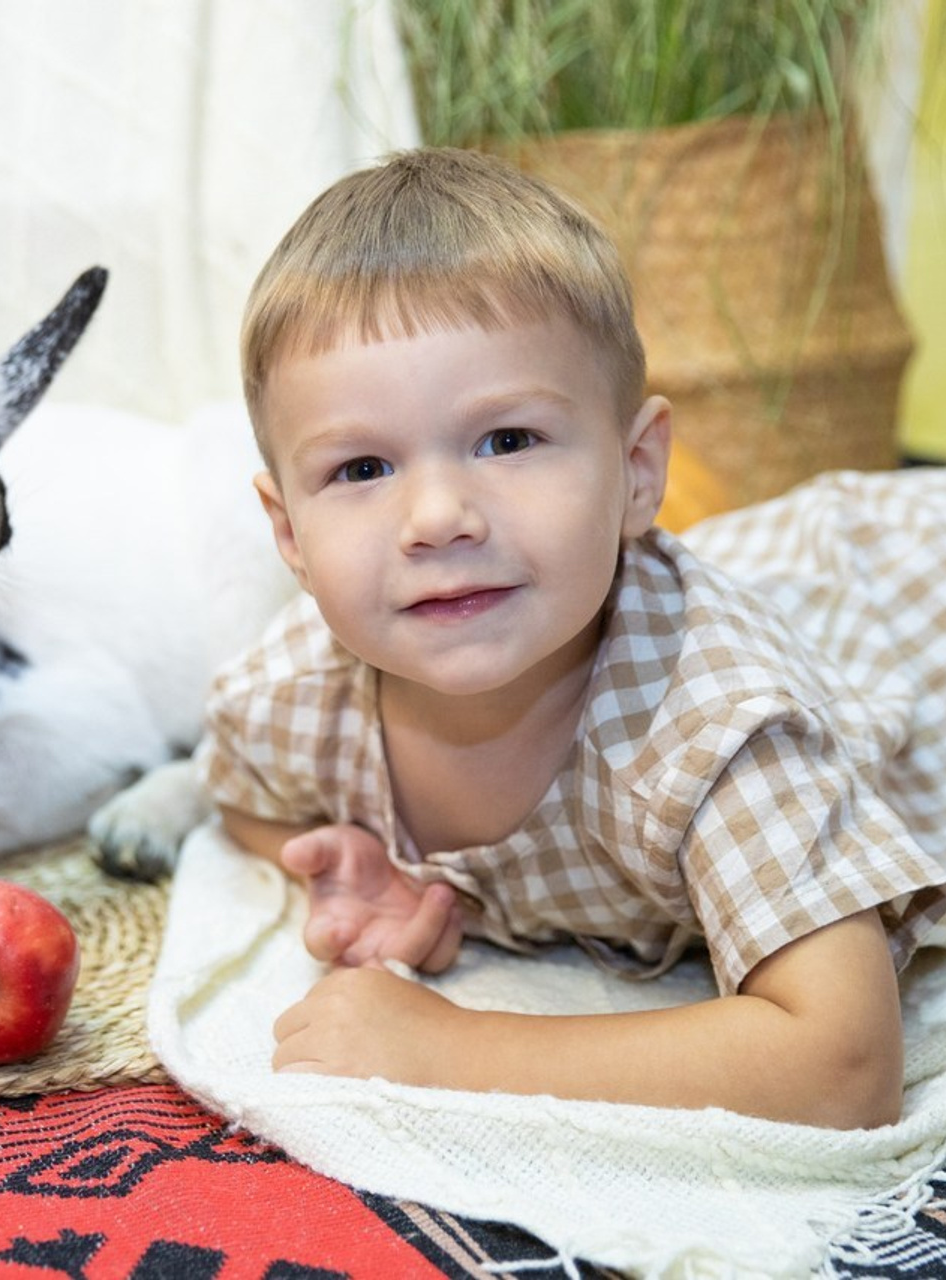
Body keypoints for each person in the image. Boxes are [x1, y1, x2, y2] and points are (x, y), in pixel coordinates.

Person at [196, 146, 946, 1129]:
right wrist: (363, 858)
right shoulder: (296, 691)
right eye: (361, 466)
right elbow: (238, 794)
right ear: (287, 531)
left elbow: (841, 1062)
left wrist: (448, 1046)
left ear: (637, 472)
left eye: (505, 440)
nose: (436, 516)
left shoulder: (714, 725)